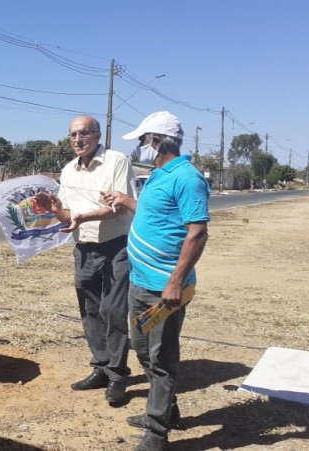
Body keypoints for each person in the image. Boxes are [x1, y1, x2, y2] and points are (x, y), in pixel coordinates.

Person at [104, 111, 210, 451]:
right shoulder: (157, 176)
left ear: (155, 141)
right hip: (140, 282)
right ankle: (168, 409)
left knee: (162, 358)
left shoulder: (187, 178)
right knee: (142, 348)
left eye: (141, 141)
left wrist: (175, 282)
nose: (138, 147)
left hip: (165, 289)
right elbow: (155, 215)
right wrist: (125, 201)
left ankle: (156, 433)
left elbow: (197, 232)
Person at [33, 115, 136, 404]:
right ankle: (101, 366)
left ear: (97, 134)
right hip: (84, 249)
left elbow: (118, 207)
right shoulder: (68, 171)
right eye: (72, 135)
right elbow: (68, 216)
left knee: (113, 312)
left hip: (116, 247)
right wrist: (55, 210)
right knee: (90, 312)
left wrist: (81, 216)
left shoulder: (116, 161)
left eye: (83, 134)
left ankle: (117, 375)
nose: (77, 140)